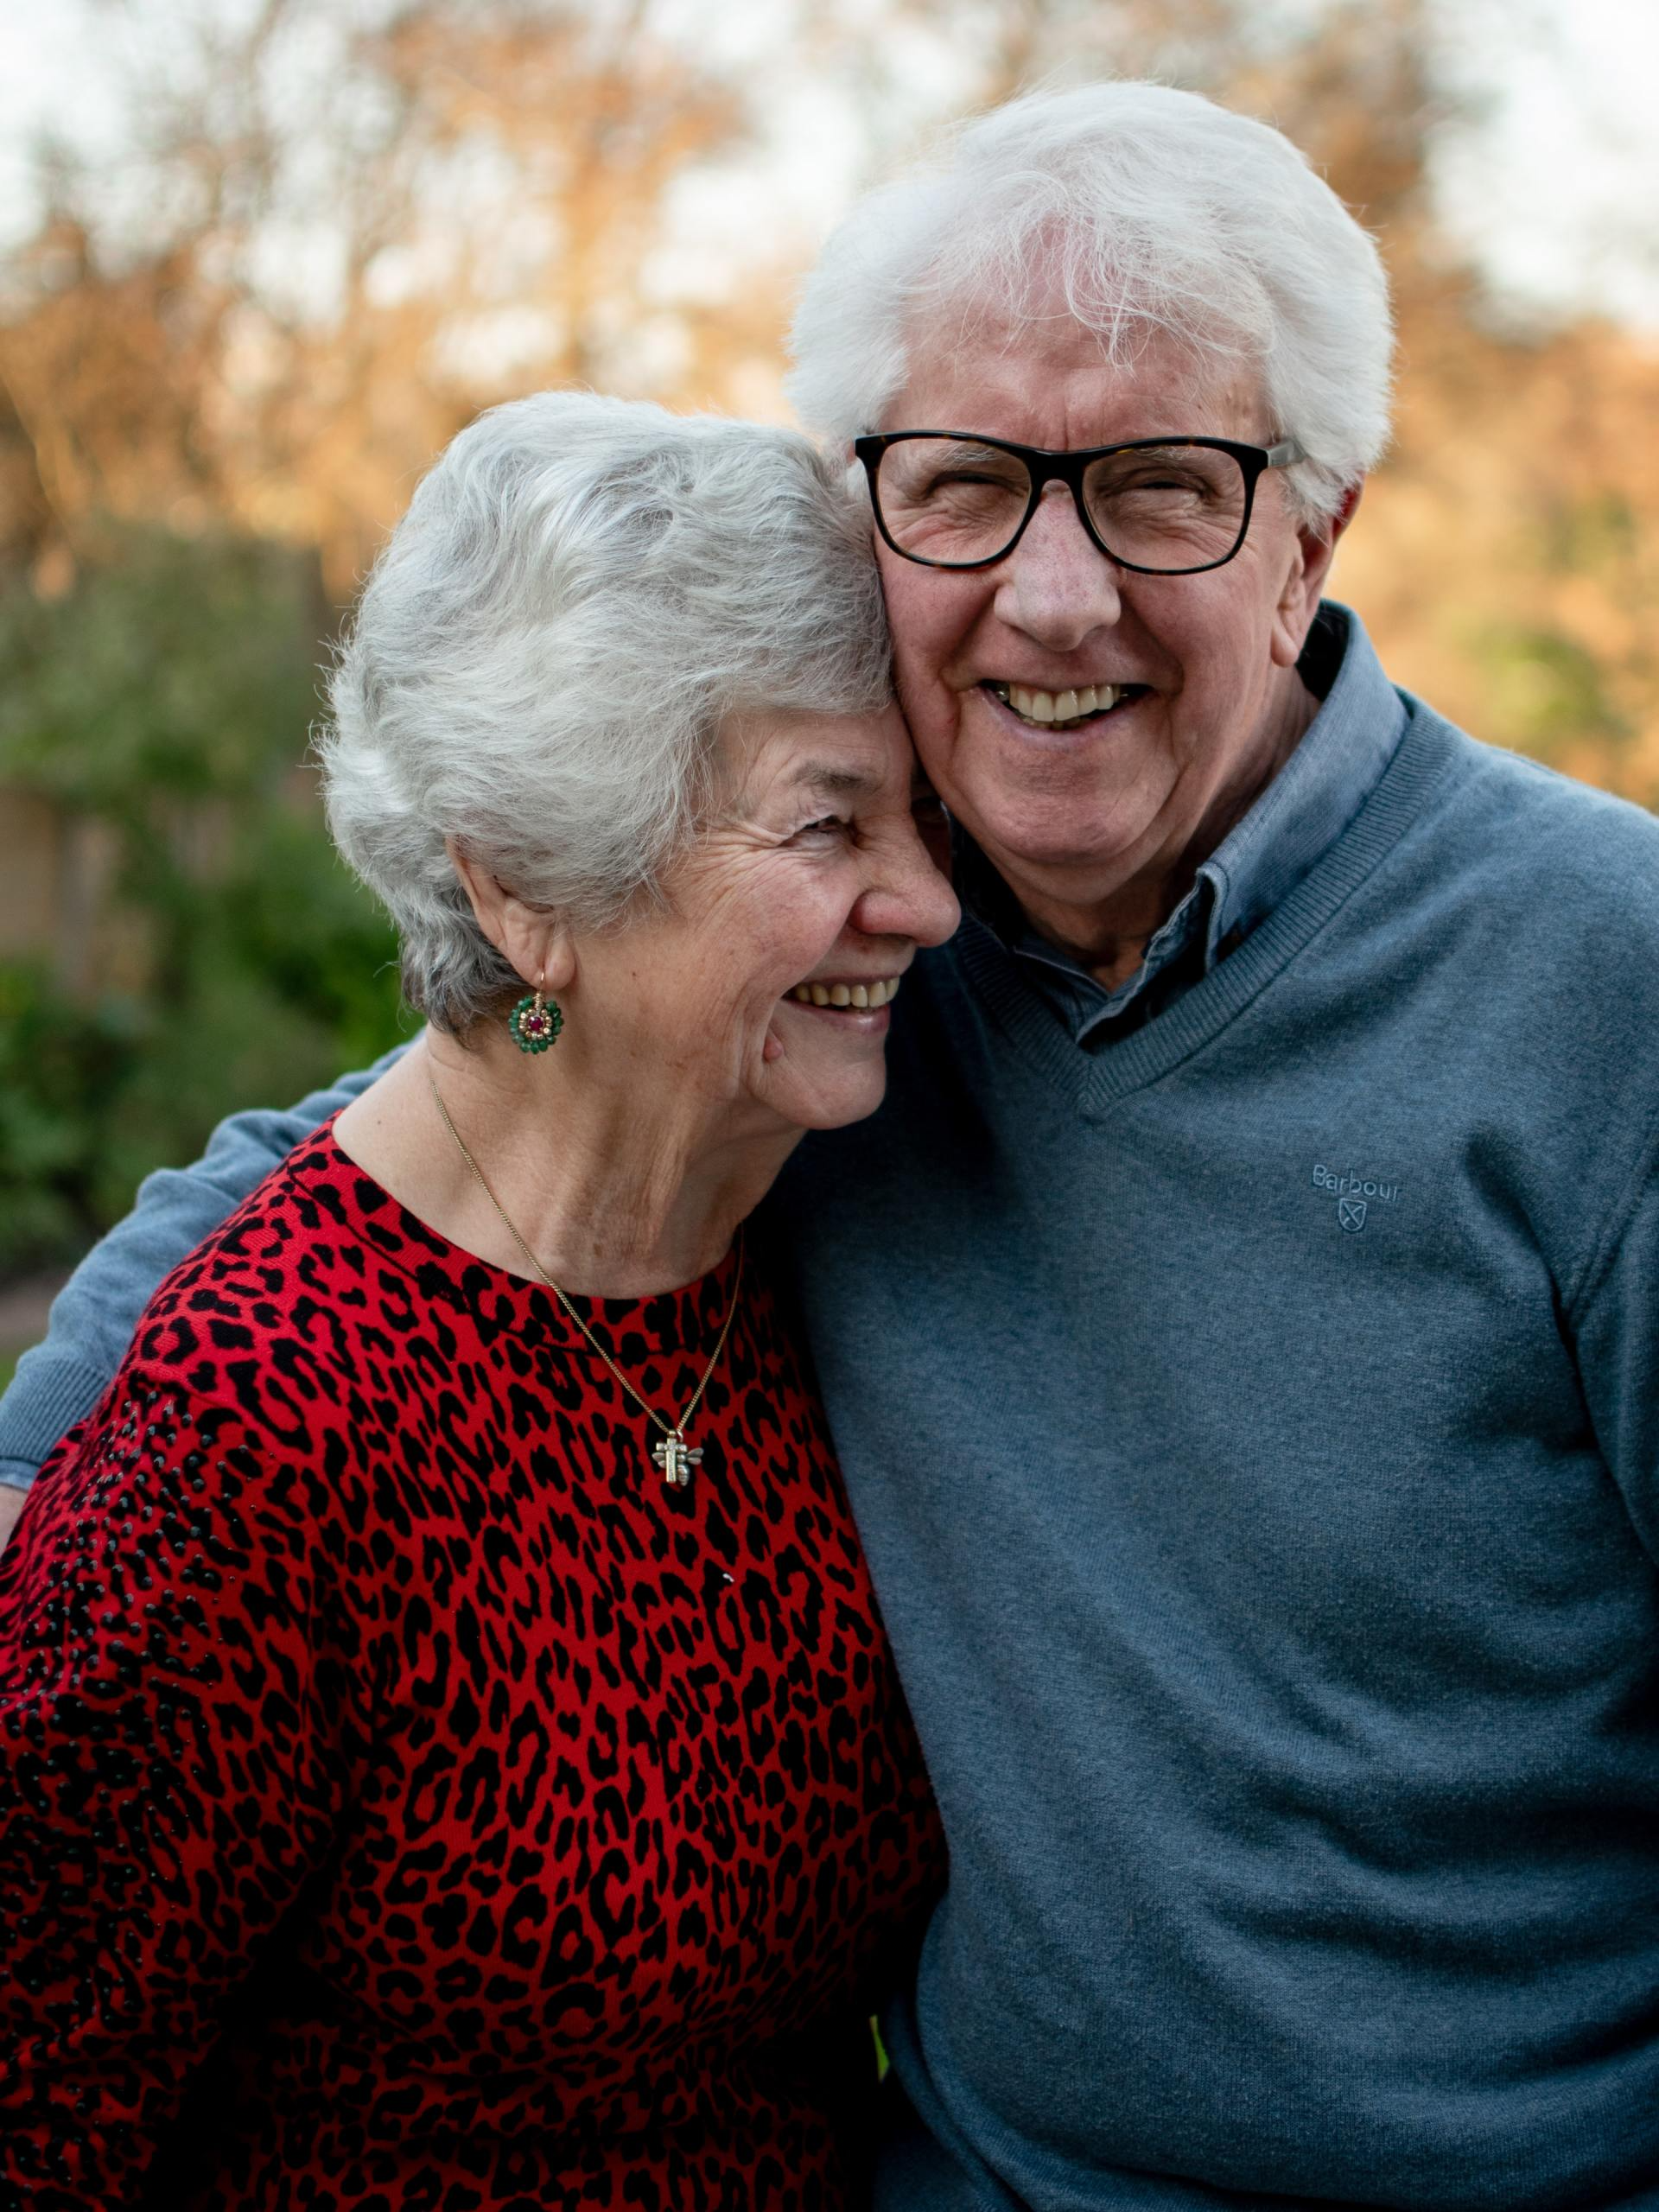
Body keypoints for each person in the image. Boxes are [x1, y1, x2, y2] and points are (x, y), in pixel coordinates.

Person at [7, 76, 1659, 2210]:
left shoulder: (1598, 989)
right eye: (969, 484)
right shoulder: (861, 965)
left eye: (1166, 487)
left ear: (1315, 526)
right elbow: (435, 1112)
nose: (1054, 600)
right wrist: (71, 1459)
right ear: (887, 511)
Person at [0, 393, 958, 2209]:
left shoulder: (778, 1238)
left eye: (915, 813)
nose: (923, 898)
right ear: (527, 887)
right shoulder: (259, 1424)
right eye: (830, 824)